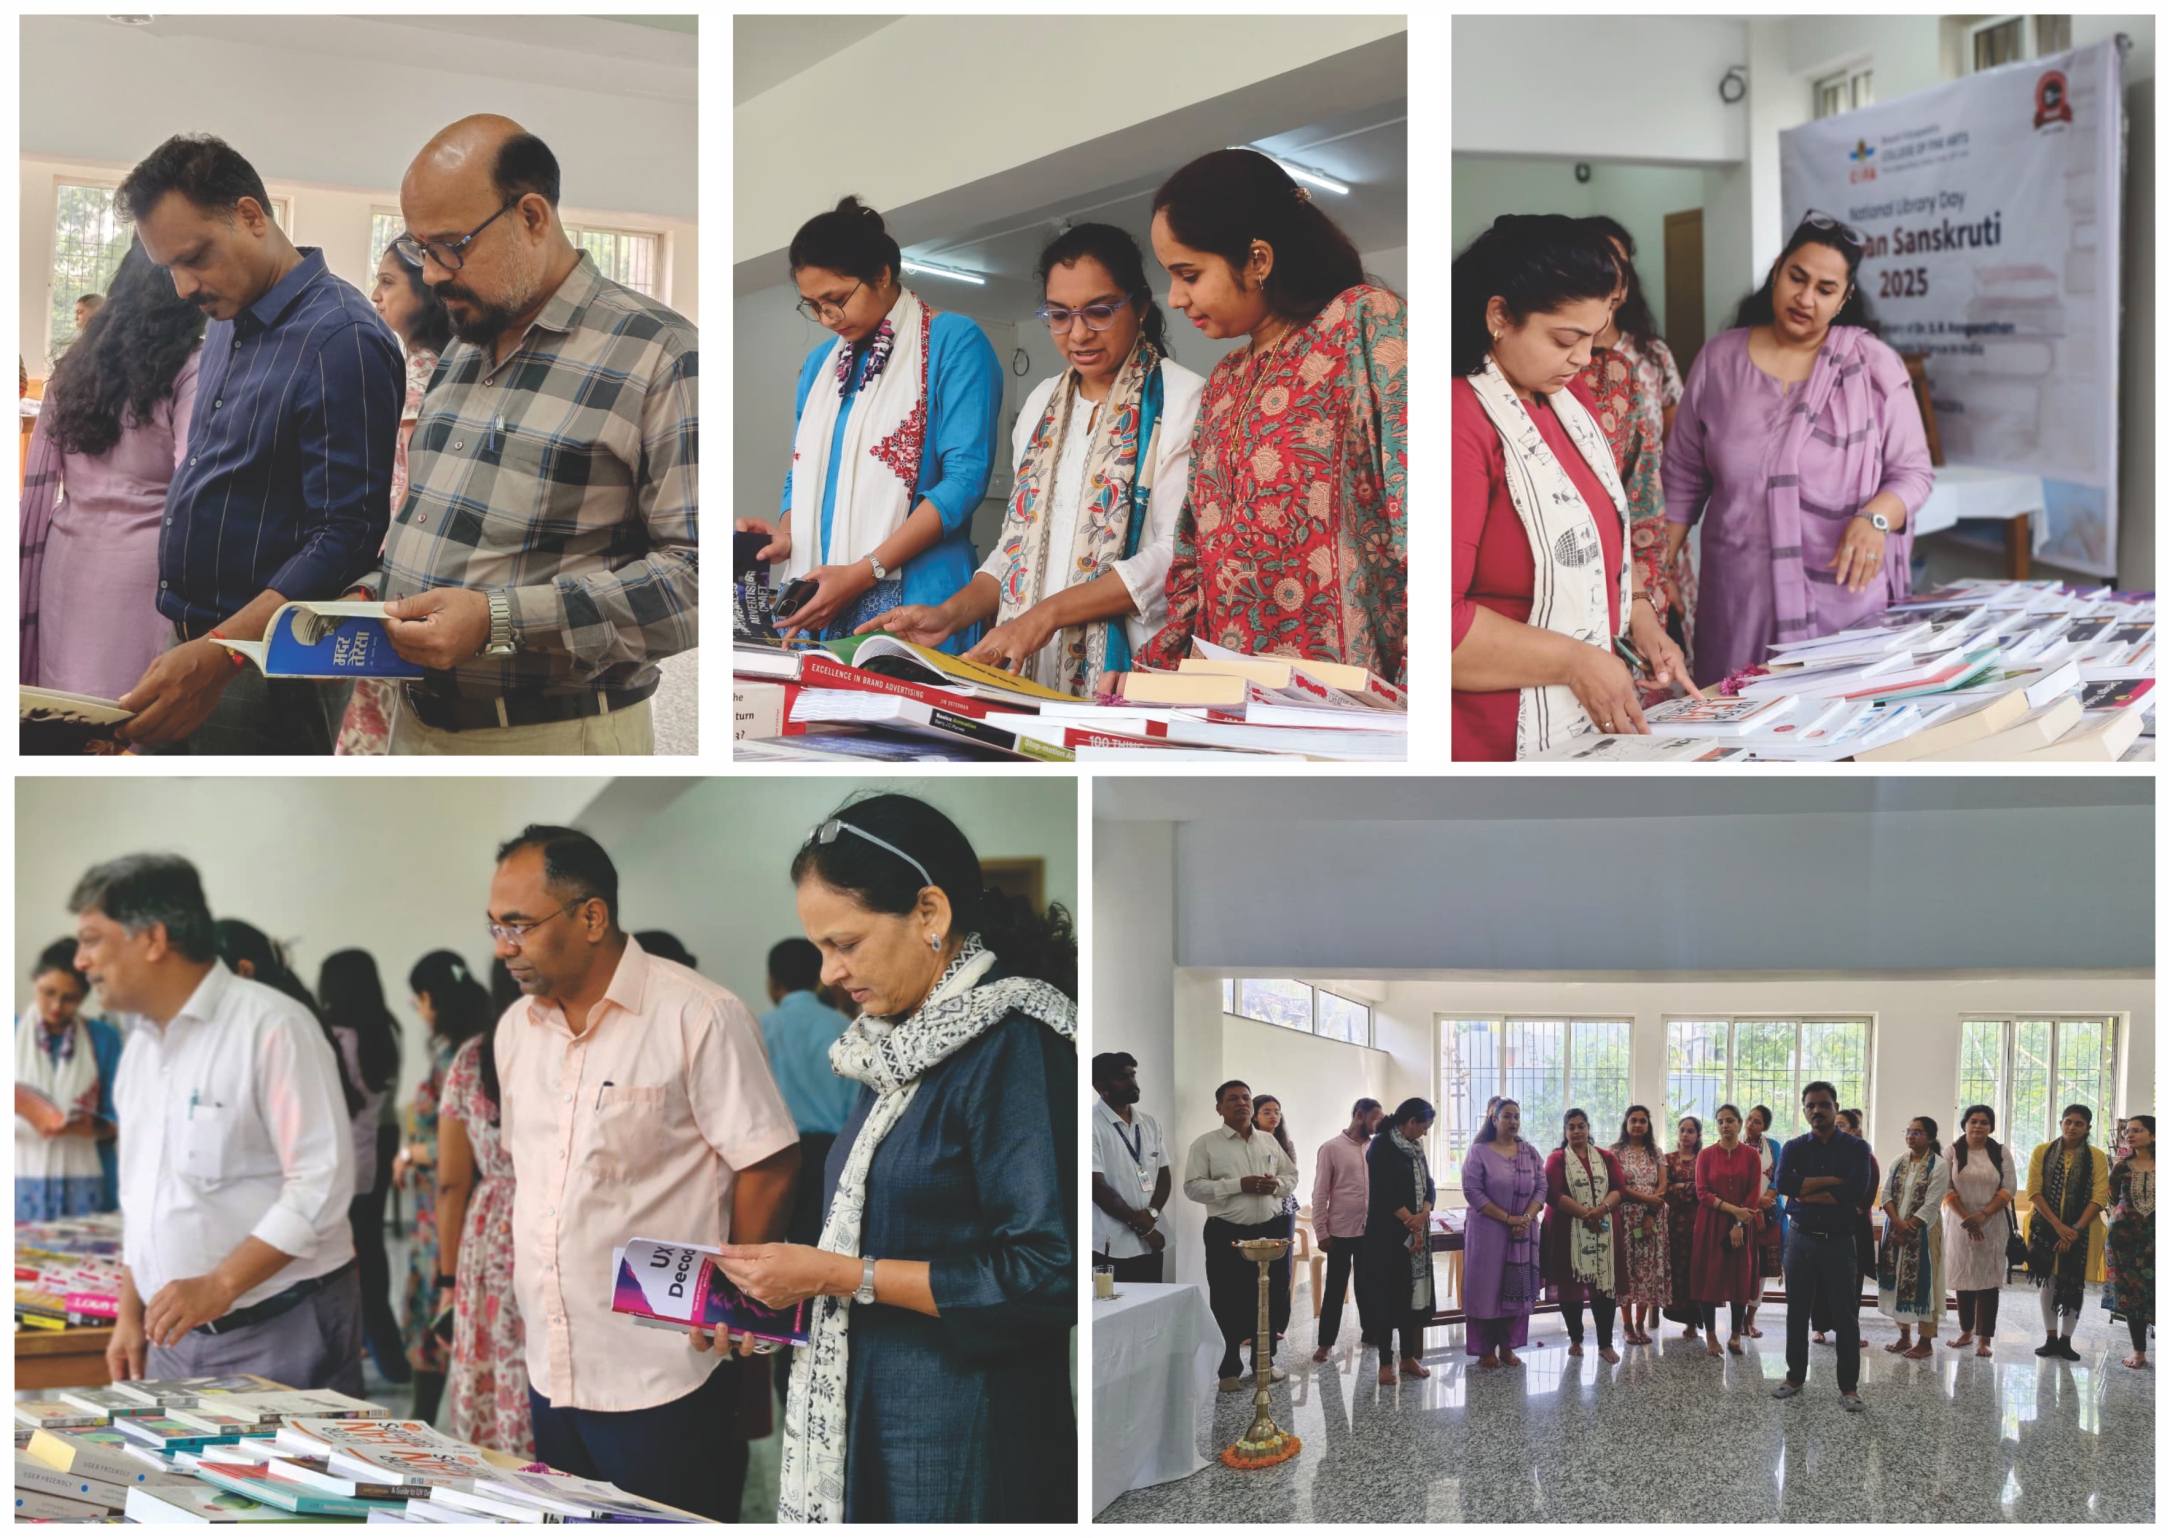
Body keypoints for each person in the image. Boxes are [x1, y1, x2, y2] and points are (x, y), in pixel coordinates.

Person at [717, 794, 1077, 1523]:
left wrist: (838, 1275)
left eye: (845, 944)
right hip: (875, 1400)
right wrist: (774, 1297)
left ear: (929, 913)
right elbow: (883, 1233)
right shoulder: (891, 1047)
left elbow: (1043, 1275)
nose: (827, 973)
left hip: (962, 1424)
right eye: (820, 948)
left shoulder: (1011, 1042)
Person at [351, 119, 695, 754]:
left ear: (532, 217)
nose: (431, 275)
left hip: (553, 734)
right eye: (420, 248)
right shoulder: (463, 348)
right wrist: (375, 590)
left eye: (449, 246)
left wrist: (500, 620)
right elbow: (435, 524)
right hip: (414, 721)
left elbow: (693, 583)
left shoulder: (659, 353)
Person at [483, 826, 796, 1520]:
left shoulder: (697, 1014)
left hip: (665, 1368)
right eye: (495, 927)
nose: (503, 947)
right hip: (554, 1361)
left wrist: (732, 1299)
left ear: (592, 916)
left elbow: (768, 1162)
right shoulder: (515, 1031)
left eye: (519, 925)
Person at [112, 133, 403, 752]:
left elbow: (346, 533)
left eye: (195, 257)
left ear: (250, 216)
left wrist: (224, 651)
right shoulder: (228, 318)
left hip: (265, 659)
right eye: (169, 268)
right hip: (198, 639)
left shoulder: (341, 338)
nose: (183, 287)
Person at [855, 224, 1206, 690]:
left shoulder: (1182, 399)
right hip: (1029, 664)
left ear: (1140, 305)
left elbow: (1178, 556)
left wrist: (1045, 615)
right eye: (1059, 315)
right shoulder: (1042, 402)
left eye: (1099, 311)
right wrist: (950, 614)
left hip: (1124, 672)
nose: (1078, 333)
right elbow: (1016, 551)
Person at [71, 855, 360, 1391]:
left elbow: (321, 1183)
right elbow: (144, 1195)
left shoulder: (272, 1027)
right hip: (172, 1337)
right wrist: (130, 1312)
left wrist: (221, 1284)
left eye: (91, 940)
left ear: (153, 939)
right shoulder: (140, 1048)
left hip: (277, 1327)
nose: (80, 961)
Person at [1137, 148, 1408, 685]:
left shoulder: (1362, 323)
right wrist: (1161, 673)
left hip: (1347, 692)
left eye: (1189, 274)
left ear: (1257, 260)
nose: (1175, 297)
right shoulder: (1225, 379)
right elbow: (1195, 553)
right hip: (1229, 690)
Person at [1451, 214, 1697, 757]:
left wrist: (1640, 616)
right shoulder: (1459, 417)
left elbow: (1598, 544)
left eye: (1594, 336)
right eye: (1566, 338)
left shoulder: (1568, 398)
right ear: (1499, 316)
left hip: (1579, 727)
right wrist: (1577, 662)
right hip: (1494, 738)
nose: (1585, 358)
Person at [1663, 211, 1937, 686]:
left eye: (1825, 289)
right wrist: (1651, 578)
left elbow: (1913, 473)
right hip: (1738, 599)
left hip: (1842, 602)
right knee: (1735, 718)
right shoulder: (1719, 360)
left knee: (1840, 723)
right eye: (1797, 277)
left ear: (1844, 298)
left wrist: (1875, 518)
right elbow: (1682, 480)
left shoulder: (1873, 367)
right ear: (1777, 269)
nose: (1806, 298)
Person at [740, 196, 999, 652]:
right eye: (812, 305)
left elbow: (964, 481)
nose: (826, 319)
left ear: (881, 274)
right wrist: (786, 536)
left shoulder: (953, 342)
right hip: (820, 593)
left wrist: (864, 573)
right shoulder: (820, 365)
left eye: (836, 300)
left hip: (918, 596)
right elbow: (801, 472)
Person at [21, 241, 203, 701]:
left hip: (66, 558)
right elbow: (195, 478)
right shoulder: (190, 368)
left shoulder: (75, 366)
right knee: (128, 712)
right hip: (144, 571)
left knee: (63, 703)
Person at [337, 240, 455, 755]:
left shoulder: (418, 378)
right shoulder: (431, 369)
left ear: (427, 291)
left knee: (375, 718)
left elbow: (400, 492)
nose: (374, 295)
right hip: (411, 576)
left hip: (391, 575)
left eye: (388, 282)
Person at [1579, 216, 1693, 659]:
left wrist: (1664, 560)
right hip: (1587, 529)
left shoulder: (1651, 355)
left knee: (1663, 650)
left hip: (1654, 525)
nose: (1609, 273)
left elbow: (1679, 455)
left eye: (1619, 265)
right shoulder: (1558, 360)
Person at [434, 988, 531, 1456]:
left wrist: (448, 1280)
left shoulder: (472, 1057)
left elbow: (451, 1183)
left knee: (494, 1350)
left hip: (492, 1225)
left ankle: (501, 1464)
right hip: (557, 1210)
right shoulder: (568, 1046)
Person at [397, 950, 493, 1421]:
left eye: (417, 1001)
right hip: (443, 1208)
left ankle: (421, 1424)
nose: (418, 1011)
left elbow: (466, 1144)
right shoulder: (480, 1046)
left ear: (430, 998)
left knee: (437, 1315)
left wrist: (411, 1154)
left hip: (449, 1212)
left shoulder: (459, 1058)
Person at [317, 950, 408, 1385]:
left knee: (346, 1258)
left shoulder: (334, 1038)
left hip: (344, 1158)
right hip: (378, 1147)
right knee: (371, 1250)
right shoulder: (387, 1030)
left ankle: (372, 1346)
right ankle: (385, 1349)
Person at [1184, 1079, 1296, 1391]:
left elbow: (1291, 1176)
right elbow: (1192, 1187)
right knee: (1227, 1299)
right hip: (1227, 1232)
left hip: (1269, 1230)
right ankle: (1229, 1369)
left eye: (1246, 1097)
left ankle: (1265, 1362)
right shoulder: (1205, 1144)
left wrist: (1276, 1185)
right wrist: (1238, 1185)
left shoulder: (1268, 1141)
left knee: (1269, 1297)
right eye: (1233, 1099)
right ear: (1219, 1108)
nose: (1242, 1103)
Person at [1770, 1082, 1872, 1409]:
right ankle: (1794, 1376)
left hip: (1840, 1241)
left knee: (1846, 1315)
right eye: (1810, 1105)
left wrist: (1806, 1192)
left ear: (1835, 1107)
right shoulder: (1794, 1147)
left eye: (1824, 1104)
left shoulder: (1857, 1148)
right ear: (1804, 1110)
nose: (1817, 1110)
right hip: (1800, 1239)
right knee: (1797, 1311)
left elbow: (1854, 1190)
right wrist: (1832, 1183)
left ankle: (1849, 1388)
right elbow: (1784, 1183)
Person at [758, 938, 857, 1253]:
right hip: (831, 1154)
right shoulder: (845, 1027)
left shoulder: (758, 1028)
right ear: (819, 977)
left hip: (771, 1153)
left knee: (770, 1251)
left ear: (773, 982)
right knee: (820, 1249)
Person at [15, 941, 124, 1221]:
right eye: (48, 992)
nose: (56, 1006)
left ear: (85, 996)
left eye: (70, 998)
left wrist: (90, 1126)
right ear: (34, 980)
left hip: (88, 1179)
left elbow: (122, 1117)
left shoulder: (103, 1039)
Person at [1460, 1097, 1545, 1369]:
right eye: (1507, 1116)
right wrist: (1508, 1218)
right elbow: (1473, 1192)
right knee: (1485, 1290)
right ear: (1494, 1120)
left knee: (1515, 1288)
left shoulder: (1530, 1153)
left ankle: (1508, 1347)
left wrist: (1526, 1218)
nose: (1513, 1121)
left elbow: (1541, 1188)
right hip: (1488, 1233)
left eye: (1517, 1116)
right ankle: (1485, 1349)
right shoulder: (1478, 1152)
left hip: (1522, 1233)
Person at [1358, 1098, 1437, 1384]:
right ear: (1411, 1121)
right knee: (1385, 1297)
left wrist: (1423, 1214)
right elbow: (1383, 1191)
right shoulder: (1381, 1144)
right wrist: (1411, 1221)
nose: (1425, 1133)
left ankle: (1407, 1357)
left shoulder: (1416, 1147)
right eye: (1424, 1127)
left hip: (1415, 1232)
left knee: (1408, 1296)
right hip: (1385, 1235)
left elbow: (1429, 1185)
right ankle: (1384, 1362)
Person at [2025, 1104, 2109, 1361]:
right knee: (2048, 1281)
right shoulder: (2042, 1151)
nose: (2072, 1127)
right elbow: (2033, 1191)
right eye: (2068, 1122)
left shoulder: (2097, 1157)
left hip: (2083, 1231)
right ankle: (2050, 1338)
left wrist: (2074, 1229)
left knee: (2074, 1281)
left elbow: (2099, 1197)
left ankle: (2066, 1341)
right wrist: (2058, 1227)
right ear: (2061, 1123)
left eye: (2079, 1124)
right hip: (2045, 1226)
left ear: (2088, 1128)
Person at [1543, 1108, 1627, 1361]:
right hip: (1568, 1231)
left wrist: (1600, 1210)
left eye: (1581, 1126)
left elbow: (1619, 1189)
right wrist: (1586, 1214)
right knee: (1571, 1287)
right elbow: (1553, 1194)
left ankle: (1605, 1344)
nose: (1576, 1131)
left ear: (1588, 1128)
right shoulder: (1556, 1159)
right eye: (1571, 1127)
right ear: (1565, 1131)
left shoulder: (1606, 1157)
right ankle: (1576, 1338)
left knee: (1605, 1286)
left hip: (1604, 1230)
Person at [1311, 1097, 1384, 1360]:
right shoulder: (1331, 1148)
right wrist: (1321, 1232)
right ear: (1359, 1115)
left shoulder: (1376, 1147)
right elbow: (1320, 1193)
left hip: (1369, 1230)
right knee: (1335, 1288)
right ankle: (1325, 1343)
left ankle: (1370, 1331)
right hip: (1339, 1232)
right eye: (1375, 1118)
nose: (1379, 1123)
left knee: (1368, 1285)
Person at [1943, 1104, 2018, 1358]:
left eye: (1984, 1122)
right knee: (1964, 1277)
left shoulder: (2000, 1152)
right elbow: (1945, 1186)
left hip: (1992, 1222)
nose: (1978, 1126)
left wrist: (1982, 1215)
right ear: (1964, 1124)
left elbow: (2009, 1188)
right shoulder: (1952, 1151)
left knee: (1987, 1281)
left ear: (1991, 1127)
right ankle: (1965, 1331)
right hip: (1959, 1221)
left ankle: (1984, 1338)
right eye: (1973, 1121)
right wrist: (1967, 1217)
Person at [1091, 1052, 1171, 1285]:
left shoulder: (1149, 1123)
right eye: (1121, 1078)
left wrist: (1152, 1214)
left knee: (1152, 1304)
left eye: (1133, 1075)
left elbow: (1163, 1174)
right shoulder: (1089, 1124)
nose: (1132, 1083)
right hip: (1110, 1244)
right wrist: (1145, 1229)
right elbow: (1096, 1187)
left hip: (1151, 1241)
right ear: (1099, 1085)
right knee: (1112, 1304)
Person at [1691, 1103, 1763, 1357]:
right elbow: (1702, 1192)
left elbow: (1753, 1194)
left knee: (1739, 1277)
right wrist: (1735, 1212)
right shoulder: (1706, 1155)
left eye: (1730, 1120)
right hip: (1711, 1224)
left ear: (1740, 1124)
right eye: (1720, 1121)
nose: (1725, 1125)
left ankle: (1735, 1335)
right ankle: (1711, 1336)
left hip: (1742, 1226)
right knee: (1709, 1277)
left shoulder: (1751, 1155)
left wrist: (1739, 1225)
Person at [1877, 1117, 1951, 1358]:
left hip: (1924, 1232)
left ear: (1930, 1137)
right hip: (1895, 1229)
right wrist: (1898, 1225)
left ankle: (1925, 1342)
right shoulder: (1898, 1161)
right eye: (1908, 1131)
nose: (1910, 1136)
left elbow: (1932, 1203)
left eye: (1917, 1132)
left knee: (1926, 1284)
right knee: (1899, 1280)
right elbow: (1886, 1195)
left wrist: (1908, 1227)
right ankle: (1904, 1336)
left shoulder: (1939, 1165)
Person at [1811, 1107, 1881, 1345]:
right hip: (1823, 1223)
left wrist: (1839, 1208)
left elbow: (1865, 1198)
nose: (1835, 1129)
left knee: (1851, 1280)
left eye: (1841, 1125)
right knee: (1821, 1276)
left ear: (1854, 1129)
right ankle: (1819, 1326)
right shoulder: (1823, 1154)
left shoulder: (1866, 1157)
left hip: (1853, 1226)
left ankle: (1848, 1328)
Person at [1610, 1105, 1670, 1346]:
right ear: (1626, 1123)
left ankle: (1640, 1324)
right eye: (1633, 1120)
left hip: (1652, 1219)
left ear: (1648, 1125)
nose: (1637, 1125)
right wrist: (1647, 1200)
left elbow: (1662, 1186)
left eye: (1642, 1121)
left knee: (1646, 1270)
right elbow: (1617, 1187)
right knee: (1626, 1271)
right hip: (1624, 1217)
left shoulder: (1656, 1152)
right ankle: (1626, 1326)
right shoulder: (1614, 1152)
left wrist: (1650, 1213)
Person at [2104, 1114, 2154, 1369]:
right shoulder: (2121, 1167)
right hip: (2124, 1240)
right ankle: (2139, 1351)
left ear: (2154, 1135)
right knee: (2132, 1294)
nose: (2129, 1135)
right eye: (2128, 1131)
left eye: (2137, 1130)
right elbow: (2112, 1198)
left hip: (2156, 1238)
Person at [1251, 1093, 1300, 1352]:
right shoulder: (1249, 1143)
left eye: (1277, 1111)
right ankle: (1251, 1327)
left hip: (1283, 1209)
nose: (1274, 1116)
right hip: (1256, 1210)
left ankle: (1278, 1325)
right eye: (1267, 1111)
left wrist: (1276, 1183)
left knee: (1282, 1269)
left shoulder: (1285, 1143)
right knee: (1254, 1270)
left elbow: (1291, 1176)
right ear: (1254, 1116)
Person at [1660, 1114, 1704, 1340]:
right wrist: (1689, 1187)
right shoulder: (1668, 1159)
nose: (1685, 1135)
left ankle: (1695, 1321)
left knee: (1697, 1268)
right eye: (1682, 1130)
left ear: (1698, 1135)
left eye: (1690, 1131)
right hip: (1675, 1222)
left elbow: (1705, 1189)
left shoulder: (1704, 1158)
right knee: (1677, 1268)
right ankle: (1681, 1317)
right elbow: (1664, 1190)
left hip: (1700, 1221)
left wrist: (1682, 1186)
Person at [1741, 1104, 1783, 1338]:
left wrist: (1764, 1204)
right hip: (1740, 1214)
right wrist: (1754, 1206)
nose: (1750, 1124)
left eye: (1756, 1121)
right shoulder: (1735, 1145)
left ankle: (1751, 1318)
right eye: (1749, 1119)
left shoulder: (1773, 1146)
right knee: (1740, 1266)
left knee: (1762, 1268)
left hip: (1769, 1216)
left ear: (1764, 1126)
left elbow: (1778, 1177)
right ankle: (1737, 1319)